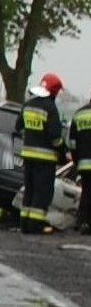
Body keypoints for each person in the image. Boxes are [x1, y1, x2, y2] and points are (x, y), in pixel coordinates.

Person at [14, 72, 66, 235]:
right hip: (45, 159)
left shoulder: (28, 105)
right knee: (42, 192)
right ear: (54, 91)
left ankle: (25, 224)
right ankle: (36, 226)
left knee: (29, 190)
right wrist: (63, 154)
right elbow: (55, 137)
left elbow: (18, 127)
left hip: (28, 156)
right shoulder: (50, 108)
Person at [68, 91, 91, 234]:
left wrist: (77, 160)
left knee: (86, 193)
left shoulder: (79, 114)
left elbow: (72, 143)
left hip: (83, 163)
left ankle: (82, 221)